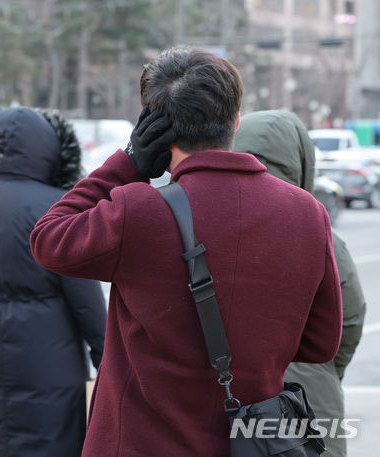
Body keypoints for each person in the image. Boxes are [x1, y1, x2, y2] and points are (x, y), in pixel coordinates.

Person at [30, 47, 343, 456]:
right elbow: (320, 344)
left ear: (157, 127)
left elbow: (48, 239)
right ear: (235, 121)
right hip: (249, 444)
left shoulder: (138, 211)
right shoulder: (306, 214)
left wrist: (128, 163)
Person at [0, 106, 107, 457]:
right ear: (46, 149)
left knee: (1, 444)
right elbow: (85, 300)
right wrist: (107, 359)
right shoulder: (57, 209)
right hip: (53, 365)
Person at [234, 109, 366, 457]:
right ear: (302, 160)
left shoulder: (212, 218)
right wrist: (320, 368)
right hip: (309, 400)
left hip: (234, 398)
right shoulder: (318, 230)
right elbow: (350, 321)